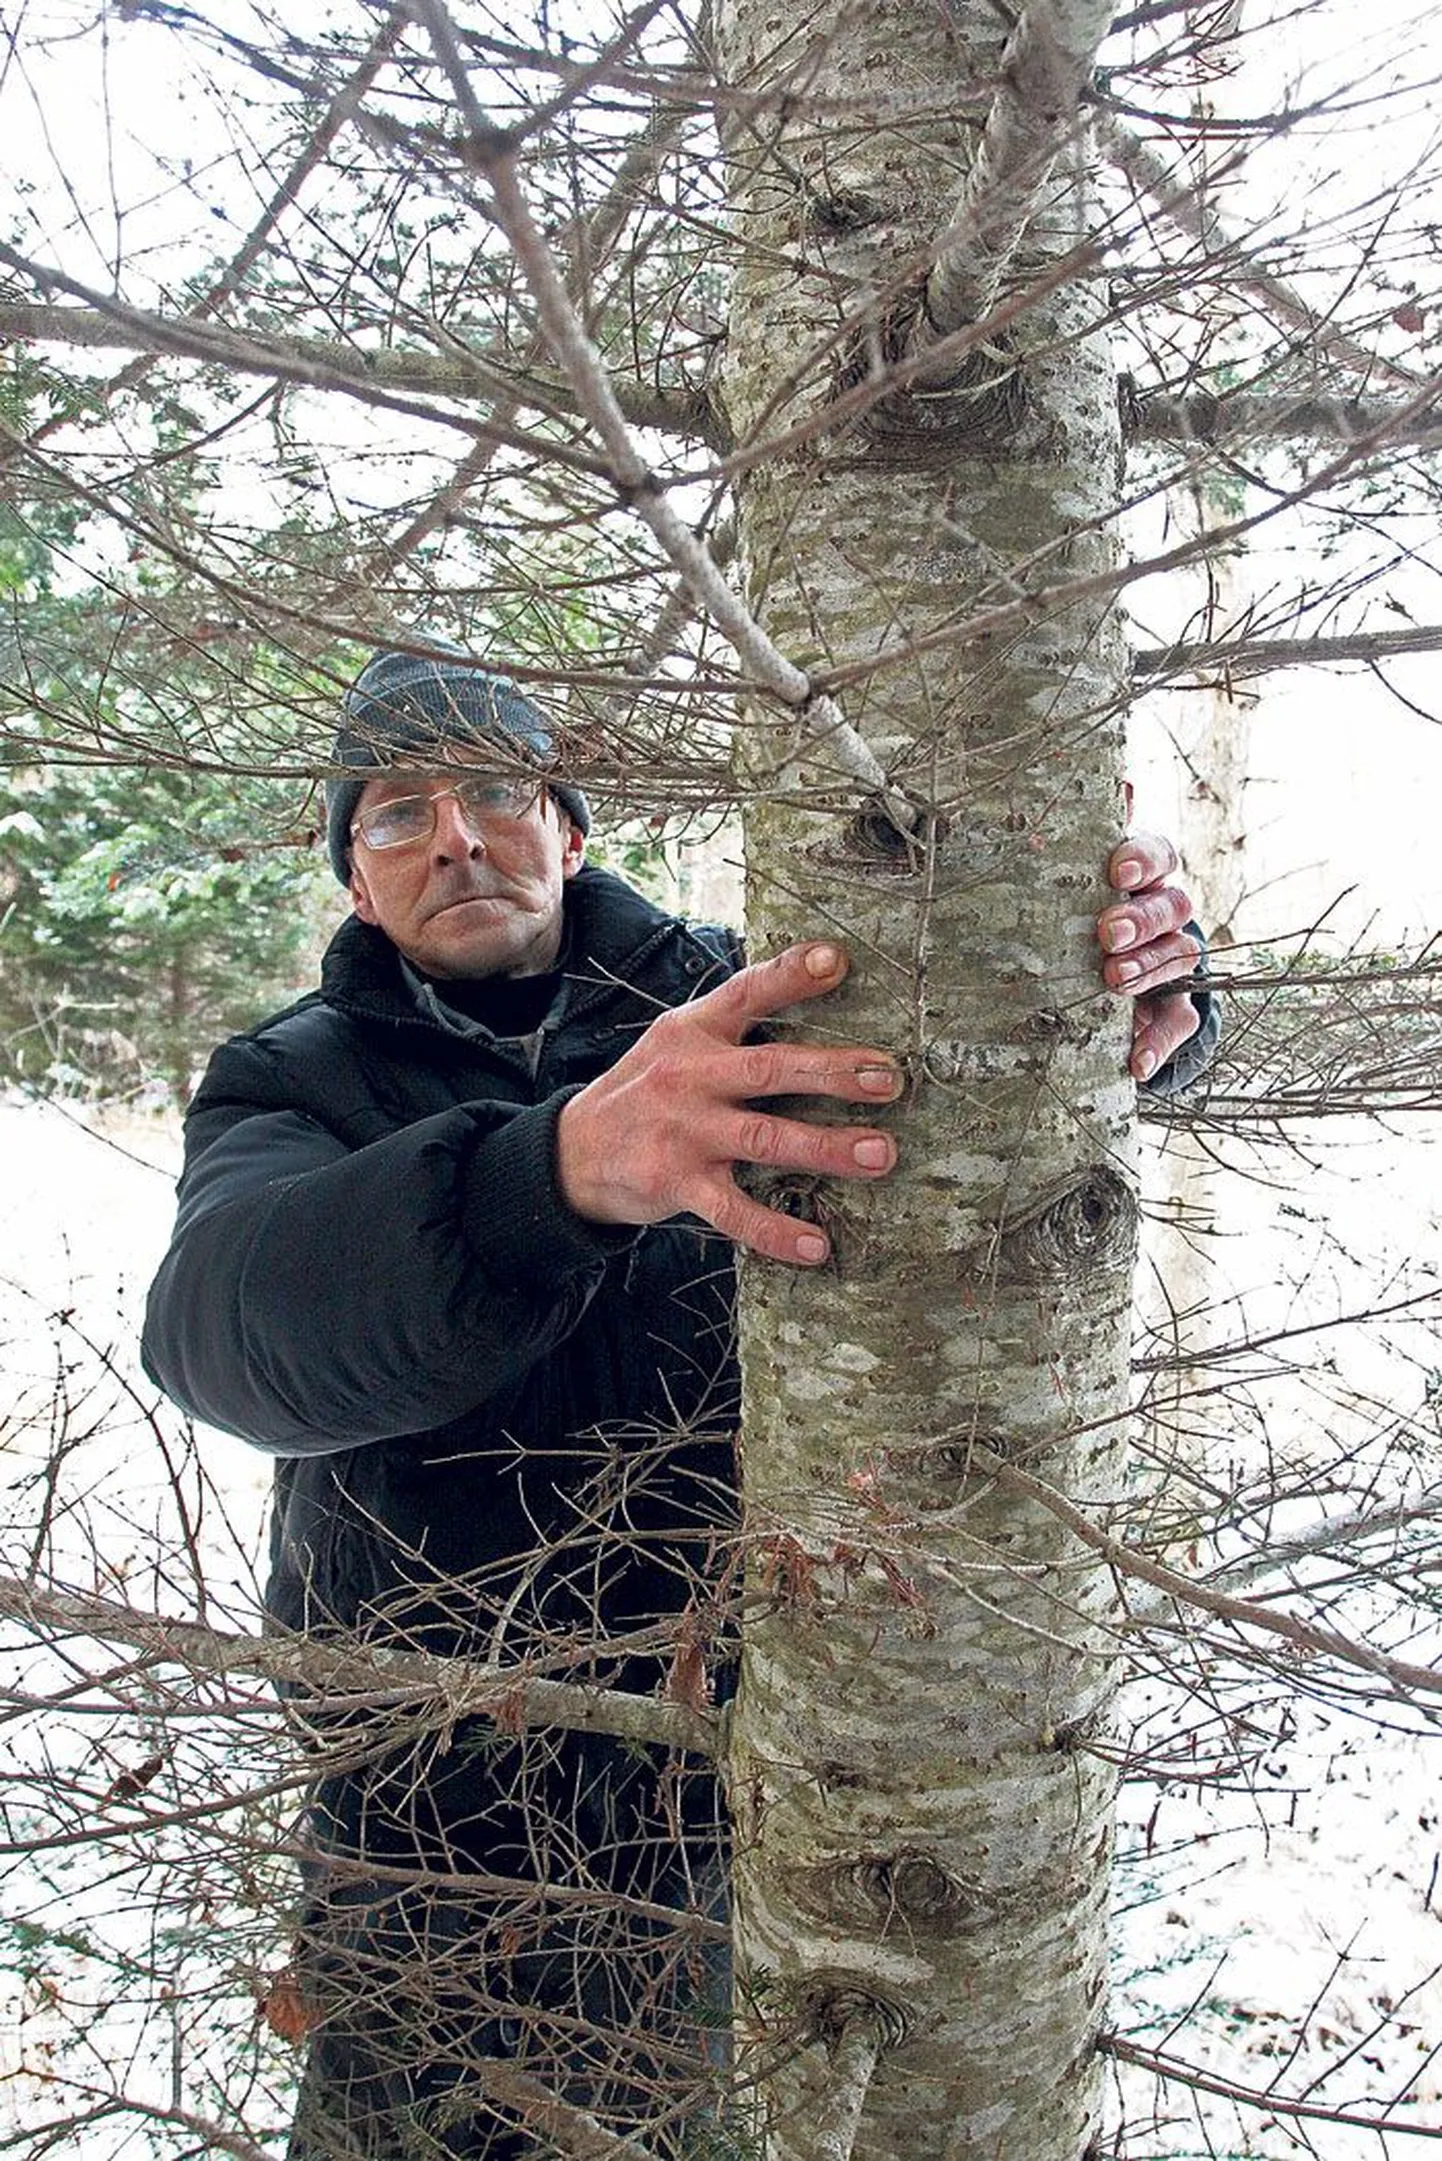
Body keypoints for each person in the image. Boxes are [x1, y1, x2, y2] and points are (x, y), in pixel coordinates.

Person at [141, 642, 1217, 2159]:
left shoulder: (747, 997)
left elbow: (963, 1087)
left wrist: (1107, 1002)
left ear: (570, 830)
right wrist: (553, 1173)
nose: (457, 835)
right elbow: (221, 1337)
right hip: (425, 1805)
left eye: (499, 789)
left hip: (756, 1770)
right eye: (395, 813)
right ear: (355, 880)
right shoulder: (288, 1082)